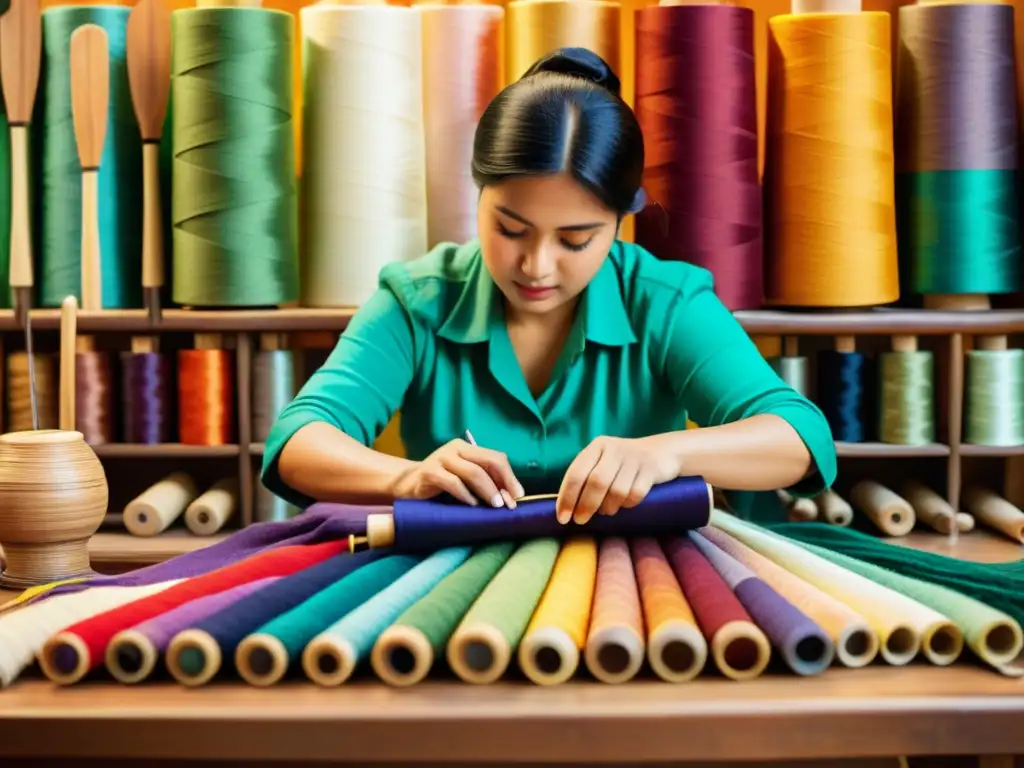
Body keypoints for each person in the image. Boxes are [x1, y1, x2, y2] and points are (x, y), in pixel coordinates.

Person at [262, 47, 837, 526]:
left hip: (634, 583)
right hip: (452, 574)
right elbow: (297, 441)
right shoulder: (418, 300)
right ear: (478, 196)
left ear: (619, 222)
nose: (536, 265)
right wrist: (406, 478)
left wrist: (665, 453)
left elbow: (800, 436)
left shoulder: (664, 300)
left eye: (575, 240)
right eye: (511, 229)